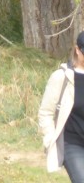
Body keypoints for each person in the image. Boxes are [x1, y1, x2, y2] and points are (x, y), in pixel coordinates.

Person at [39, 31, 84, 183]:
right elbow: (46, 112)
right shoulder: (62, 77)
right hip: (72, 143)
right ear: (77, 50)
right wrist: (50, 139)